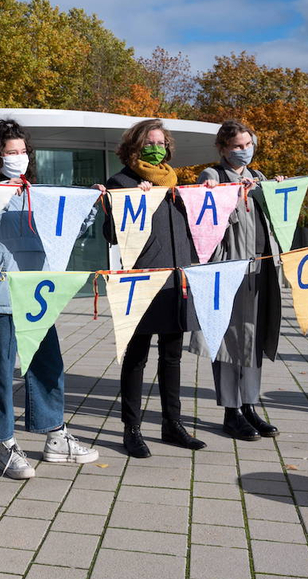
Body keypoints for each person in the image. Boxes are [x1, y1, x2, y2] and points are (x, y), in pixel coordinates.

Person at [0, 119, 101, 479]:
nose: (19, 158)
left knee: (47, 367)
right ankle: (4, 444)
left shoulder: (37, 193)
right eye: (11, 152)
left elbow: (68, 232)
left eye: (23, 152)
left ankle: (55, 436)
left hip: (36, 296)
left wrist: (88, 205)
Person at [103, 119, 205, 456]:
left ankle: (172, 423)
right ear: (134, 144)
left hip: (178, 280)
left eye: (161, 142)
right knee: (136, 358)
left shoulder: (176, 184)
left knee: (173, 357)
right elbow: (110, 235)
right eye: (150, 141)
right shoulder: (121, 182)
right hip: (141, 281)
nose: (157, 147)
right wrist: (135, 207)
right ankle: (131, 429)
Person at [194, 120, 282, 441]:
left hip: (260, 268)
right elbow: (207, 223)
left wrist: (275, 192)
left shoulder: (257, 178)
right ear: (222, 149)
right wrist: (229, 197)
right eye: (236, 146)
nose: (244, 151)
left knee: (253, 338)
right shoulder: (212, 176)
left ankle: (250, 405)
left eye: (247, 145)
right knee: (229, 340)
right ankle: (231, 412)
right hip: (229, 270)